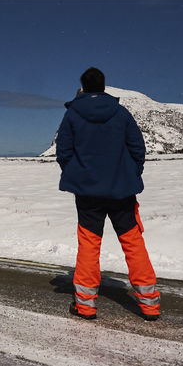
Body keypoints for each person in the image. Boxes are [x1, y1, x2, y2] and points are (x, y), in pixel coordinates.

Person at [54, 67, 160, 320]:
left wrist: (79, 175)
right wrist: (130, 174)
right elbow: (137, 148)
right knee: (133, 242)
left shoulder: (72, 116)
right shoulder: (121, 113)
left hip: (88, 193)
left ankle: (86, 304)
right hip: (122, 190)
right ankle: (149, 304)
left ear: (83, 86)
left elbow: (64, 152)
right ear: (104, 86)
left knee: (89, 245)